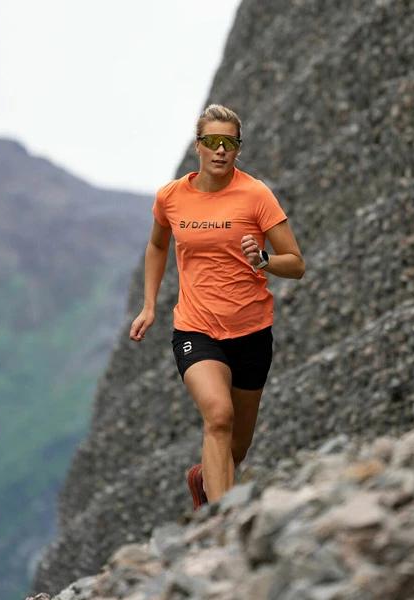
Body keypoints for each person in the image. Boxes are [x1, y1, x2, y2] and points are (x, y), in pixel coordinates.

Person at [129, 104, 305, 509]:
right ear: (198, 146)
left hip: (251, 332)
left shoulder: (256, 195)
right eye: (212, 141)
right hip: (196, 329)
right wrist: (149, 306)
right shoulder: (171, 197)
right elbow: (157, 245)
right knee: (218, 416)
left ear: (238, 149)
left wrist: (263, 259)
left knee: (236, 448)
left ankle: (204, 481)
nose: (220, 149)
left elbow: (296, 264)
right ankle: (220, 525)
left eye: (229, 142)